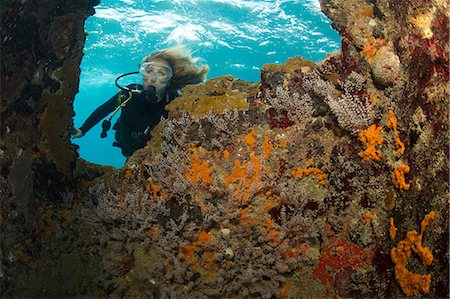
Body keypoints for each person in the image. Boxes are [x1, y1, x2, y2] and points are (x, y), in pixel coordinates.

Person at [71, 45, 209, 157]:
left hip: (153, 154)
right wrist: (82, 130)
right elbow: (105, 109)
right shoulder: (129, 93)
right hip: (126, 145)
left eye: (162, 73)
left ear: (169, 79)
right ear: (141, 74)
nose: (153, 78)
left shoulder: (173, 101)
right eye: (148, 71)